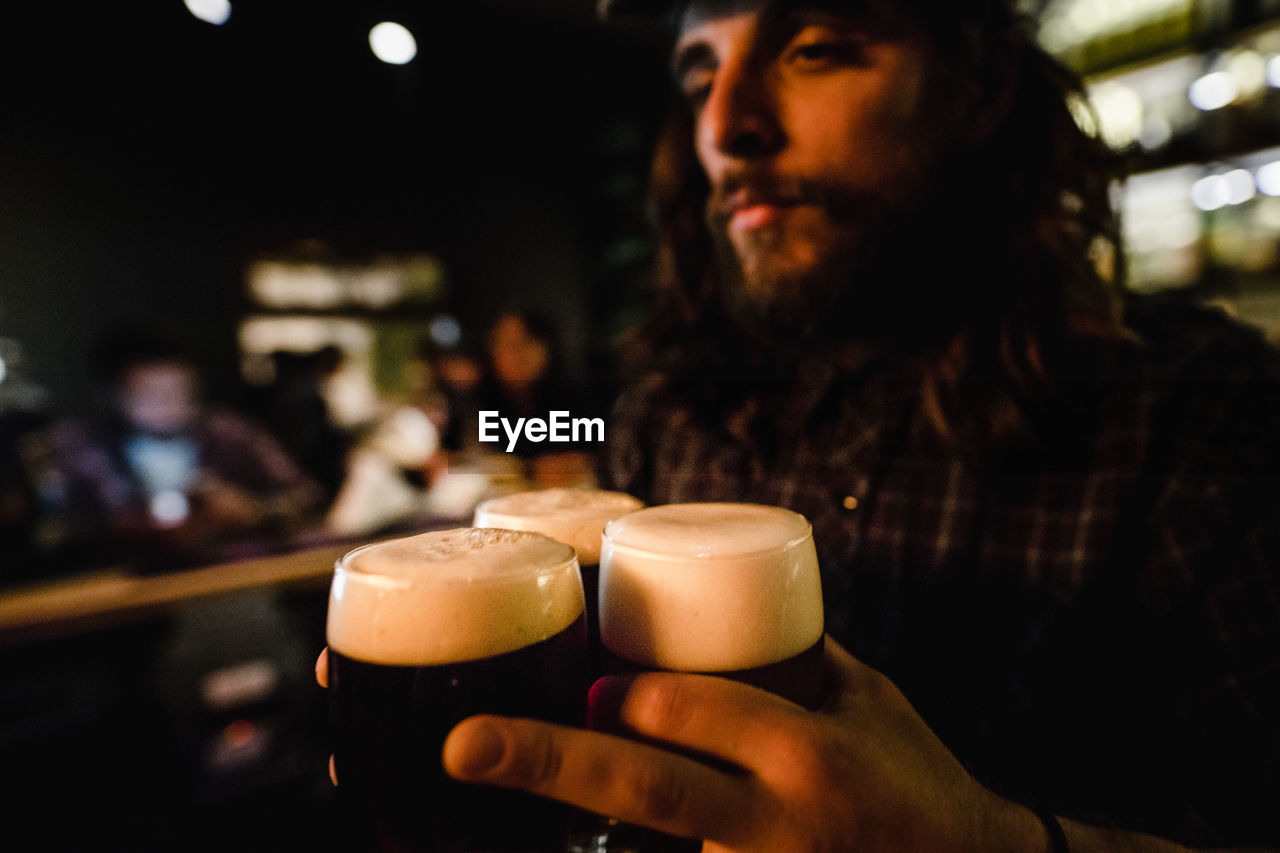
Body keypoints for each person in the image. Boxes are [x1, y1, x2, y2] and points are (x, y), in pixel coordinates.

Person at [322, 0, 1280, 850]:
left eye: (815, 47)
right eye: (700, 75)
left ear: (979, 87)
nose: (727, 126)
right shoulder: (668, 401)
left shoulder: (1201, 417)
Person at [40, 326, 325, 570]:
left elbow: (308, 497)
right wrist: (142, 530)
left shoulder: (230, 433)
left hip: (234, 577)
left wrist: (254, 511)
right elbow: (56, 531)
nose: (170, 407)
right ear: (113, 395)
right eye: (152, 395)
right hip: (121, 594)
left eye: (180, 393)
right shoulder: (78, 445)